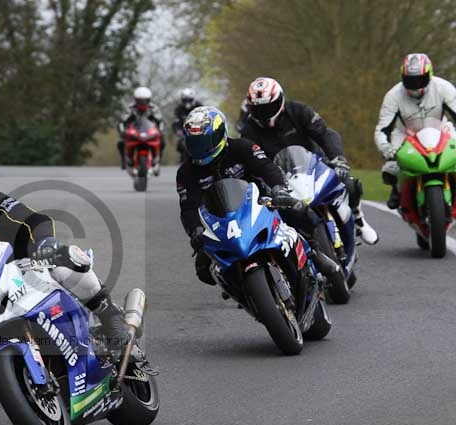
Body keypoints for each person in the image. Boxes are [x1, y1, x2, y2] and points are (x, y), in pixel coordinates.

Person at [0, 157, 131, 366]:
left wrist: (44, 244)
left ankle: (109, 315)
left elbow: (33, 220)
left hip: (24, 267)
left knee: (66, 263)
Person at [176, 106, 340, 285]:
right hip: (222, 221)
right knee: (203, 270)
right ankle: (241, 288)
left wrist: (278, 188)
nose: (200, 148)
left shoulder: (242, 147)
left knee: (298, 212)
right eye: (195, 143)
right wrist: (195, 230)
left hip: (260, 203)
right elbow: (188, 207)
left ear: (220, 134)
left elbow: (267, 168)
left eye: (204, 142)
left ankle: (314, 253)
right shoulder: (186, 172)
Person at [241, 77, 379, 245]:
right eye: (258, 109)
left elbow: (325, 133)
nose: (264, 113)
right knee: (280, 211)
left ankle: (358, 219)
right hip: (281, 179)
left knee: (349, 184)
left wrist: (338, 158)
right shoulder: (249, 130)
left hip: (313, 165)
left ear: (279, 100)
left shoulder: (299, 111)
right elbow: (251, 159)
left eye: (268, 107)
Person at [374, 53, 456, 209]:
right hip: (405, 133)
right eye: (410, 80)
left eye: (420, 79)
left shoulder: (444, 88)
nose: (415, 85)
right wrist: (385, 148)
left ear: (429, 75)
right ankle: (397, 189)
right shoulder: (393, 96)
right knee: (391, 166)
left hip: (441, 129)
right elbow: (382, 129)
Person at [117, 86, 166, 172]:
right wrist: (122, 131)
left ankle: (158, 161)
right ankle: (124, 161)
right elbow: (122, 121)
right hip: (134, 131)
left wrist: (161, 131)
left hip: (149, 131)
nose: (142, 103)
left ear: (149, 100)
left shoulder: (153, 108)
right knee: (121, 142)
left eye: (145, 100)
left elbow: (161, 121)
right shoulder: (130, 108)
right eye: (140, 101)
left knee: (162, 141)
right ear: (135, 100)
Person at [172, 88, 204, 161]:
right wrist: (177, 131)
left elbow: (206, 118)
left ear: (193, 99)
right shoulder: (178, 109)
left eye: (189, 100)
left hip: (199, 131)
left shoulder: (200, 107)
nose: (187, 102)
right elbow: (175, 122)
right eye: (185, 100)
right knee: (180, 144)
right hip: (184, 132)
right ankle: (183, 158)